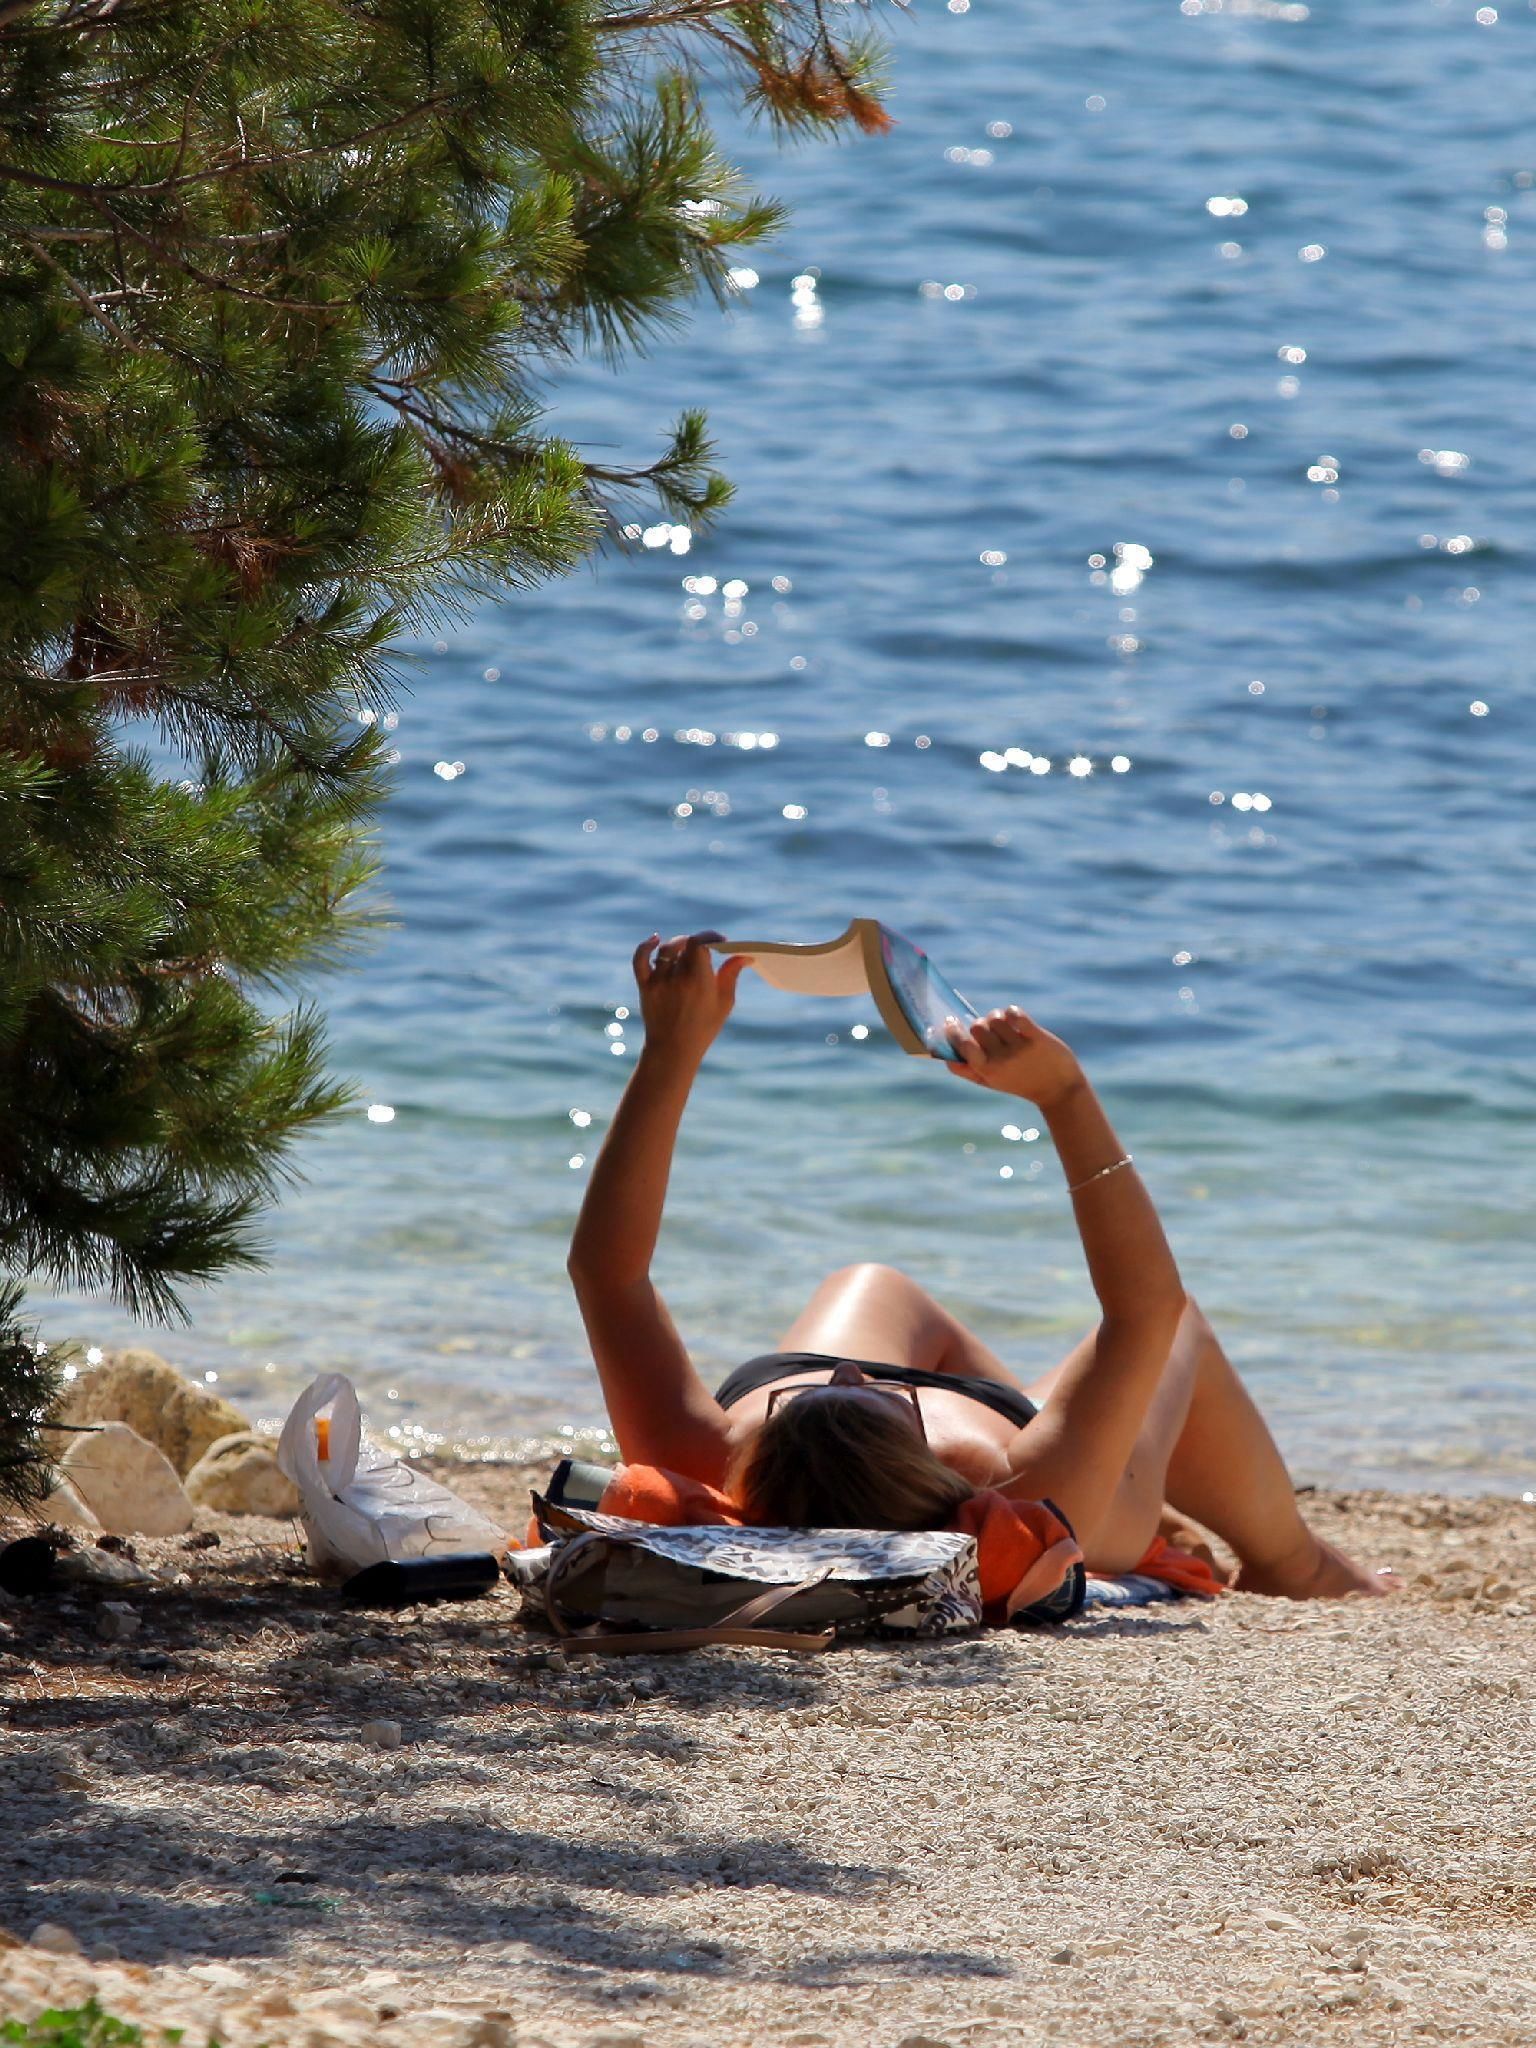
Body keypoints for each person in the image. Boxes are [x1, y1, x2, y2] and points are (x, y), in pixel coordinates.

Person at [565, 931, 1397, 1603]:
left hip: (888, 1447)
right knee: (1178, 1329)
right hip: (1063, 1476)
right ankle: (1293, 1560)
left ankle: (1124, 1462)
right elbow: (1145, 1306)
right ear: (937, 1475)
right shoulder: (1031, 1487)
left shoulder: (700, 1452)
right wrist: (1064, 1096)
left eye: (805, 1399)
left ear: (757, 1468)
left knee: (874, 1281)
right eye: (869, 1397)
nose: (850, 1369)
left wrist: (670, 1053)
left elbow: (608, 1274)